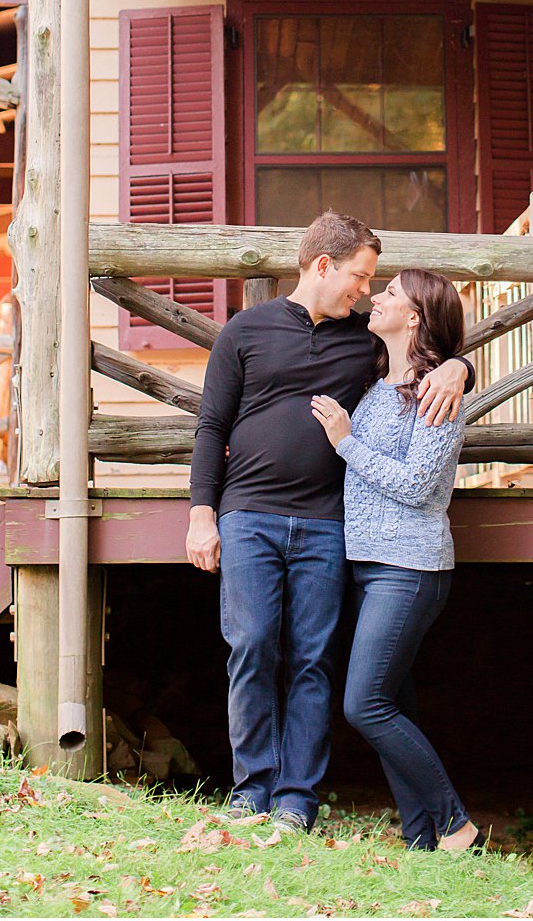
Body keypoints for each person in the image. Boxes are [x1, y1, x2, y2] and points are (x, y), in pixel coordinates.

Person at [185, 212, 473, 835]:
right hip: (248, 517)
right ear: (323, 266)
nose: (366, 292)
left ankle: (296, 801)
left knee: (313, 659)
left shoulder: (363, 341)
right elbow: (210, 427)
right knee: (253, 647)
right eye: (361, 277)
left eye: (374, 284)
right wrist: (201, 514)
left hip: (325, 526)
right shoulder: (244, 331)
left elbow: (425, 352)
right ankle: (251, 790)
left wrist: (461, 367)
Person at [311, 269, 482, 853]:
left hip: (408, 569)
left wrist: (345, 443)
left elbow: (415, 485)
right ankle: (420, 838)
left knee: (365, 704)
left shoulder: (439, 392)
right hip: (364, 564)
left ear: (414, 318)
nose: (375, 297)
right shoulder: (377, 385)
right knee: (392, 703)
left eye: (390, 294)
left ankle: (454, 822)